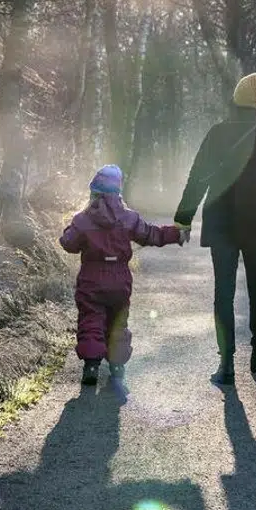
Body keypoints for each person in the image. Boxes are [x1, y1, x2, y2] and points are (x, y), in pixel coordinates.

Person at [175, 73, 256, 385]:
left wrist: (183, 220)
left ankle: (226, 364)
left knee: (224, 292)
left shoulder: (217, 133)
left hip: (221, 225)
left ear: (237, 98)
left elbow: (197, 178)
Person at [60, 164, 184, 391]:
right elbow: (151, 235)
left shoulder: (83, 220)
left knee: (91, 319)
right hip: (119, 279)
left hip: (91, 279)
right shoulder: (129, 218)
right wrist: (176, 234)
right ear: (118, 192)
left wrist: (68, 231)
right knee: (118, 321)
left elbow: (69, 244)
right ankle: (117, 366)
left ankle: (91, 366)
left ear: (93, 193)